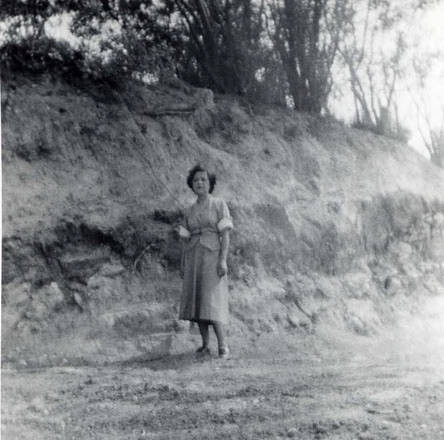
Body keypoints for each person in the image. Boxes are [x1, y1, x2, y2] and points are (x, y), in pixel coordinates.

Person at [175, 164, 233, 359]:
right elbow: (184, 240)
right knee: (197, 301)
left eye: (204, 180)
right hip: (193, 257)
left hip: (212, 256)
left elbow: (225, 235)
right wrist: (184, 262)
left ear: (210, 184)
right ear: (191, 184)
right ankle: (205, 345)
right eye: (196, 180)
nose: (200, 183)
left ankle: (223, 346)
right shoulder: (188, 210)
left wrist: (223, 260)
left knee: (213, 301)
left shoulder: (218, 204)